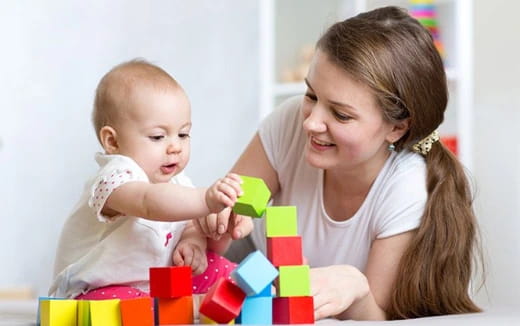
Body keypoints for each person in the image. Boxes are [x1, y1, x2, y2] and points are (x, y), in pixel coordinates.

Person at [195, 6, 483, 321]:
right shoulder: (289, 121)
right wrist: (204, 226)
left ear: (396, 127)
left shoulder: (405, 188)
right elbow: (220, 220)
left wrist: (356, 288)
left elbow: (377, 317)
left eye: (341, 114)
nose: (311, 123)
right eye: (311, 95)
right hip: (248, 278)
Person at [49, 59, 243, 300]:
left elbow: (190, 224)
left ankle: (265, 292)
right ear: (113, 141)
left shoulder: (179, 182)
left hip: (156, 285)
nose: (175, 147)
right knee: (140, 310)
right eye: (158, 136)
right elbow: (148, 202)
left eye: (183, 134)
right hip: (93, 290)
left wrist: (193, 244)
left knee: (224, 270)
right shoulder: (114, 177)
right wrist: (205, 199)